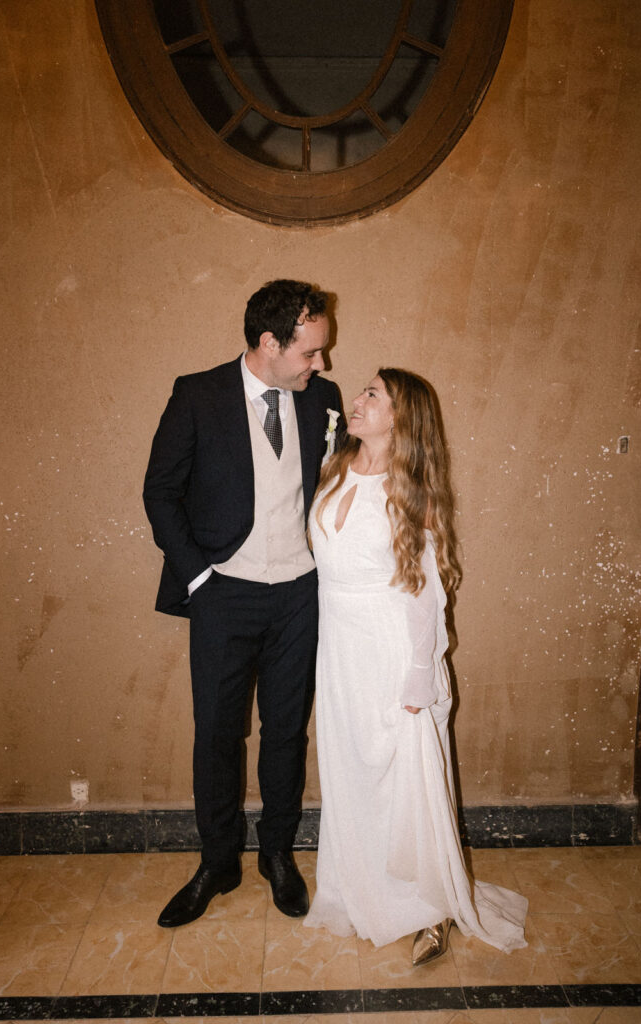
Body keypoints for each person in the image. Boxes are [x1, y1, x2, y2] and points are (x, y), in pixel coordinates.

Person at [304, 368, 527, 963]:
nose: (357, 400)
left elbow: (425, 591)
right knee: (352, 771)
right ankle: (359, 888)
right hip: (340, 650)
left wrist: (420, 674)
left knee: (408, 781)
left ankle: (431, 907)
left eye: (373, 394)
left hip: (391, 649)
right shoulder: (334, 466)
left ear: (401, 417)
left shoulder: (412, 489)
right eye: (363, 391)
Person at [143, 280, 344, 928]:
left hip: (300, 595)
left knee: (286, 731)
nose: (321, 364)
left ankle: (277, 853)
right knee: (216, 735)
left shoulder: (324, 400)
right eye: (310, 351)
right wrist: (200, 579)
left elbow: (341, 490)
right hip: (223, 593)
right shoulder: (197, 395)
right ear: (269, 342)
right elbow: (159, 492)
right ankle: (217, 861)